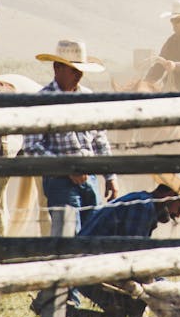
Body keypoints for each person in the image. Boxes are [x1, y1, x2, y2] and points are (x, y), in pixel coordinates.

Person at [67, 173, 180, 317]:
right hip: (90, 268)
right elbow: (134, 259)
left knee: (132, 307)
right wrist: (157, 286)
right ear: (170, 196)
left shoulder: (142, 203)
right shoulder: (143, 207)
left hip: (92, 265)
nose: (177, 215)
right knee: (135, 305)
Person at [22, 39, 119, 237]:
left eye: (80, 71)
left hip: (89, 177)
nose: (79, 76)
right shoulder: (42, 101)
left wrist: (110, 176)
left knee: (93, 233)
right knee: (66, 235)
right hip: (59, 180)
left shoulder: (88, 97)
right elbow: (32, 147)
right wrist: (66, 167)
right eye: (74, 70)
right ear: (57, 68)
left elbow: (99, 139)